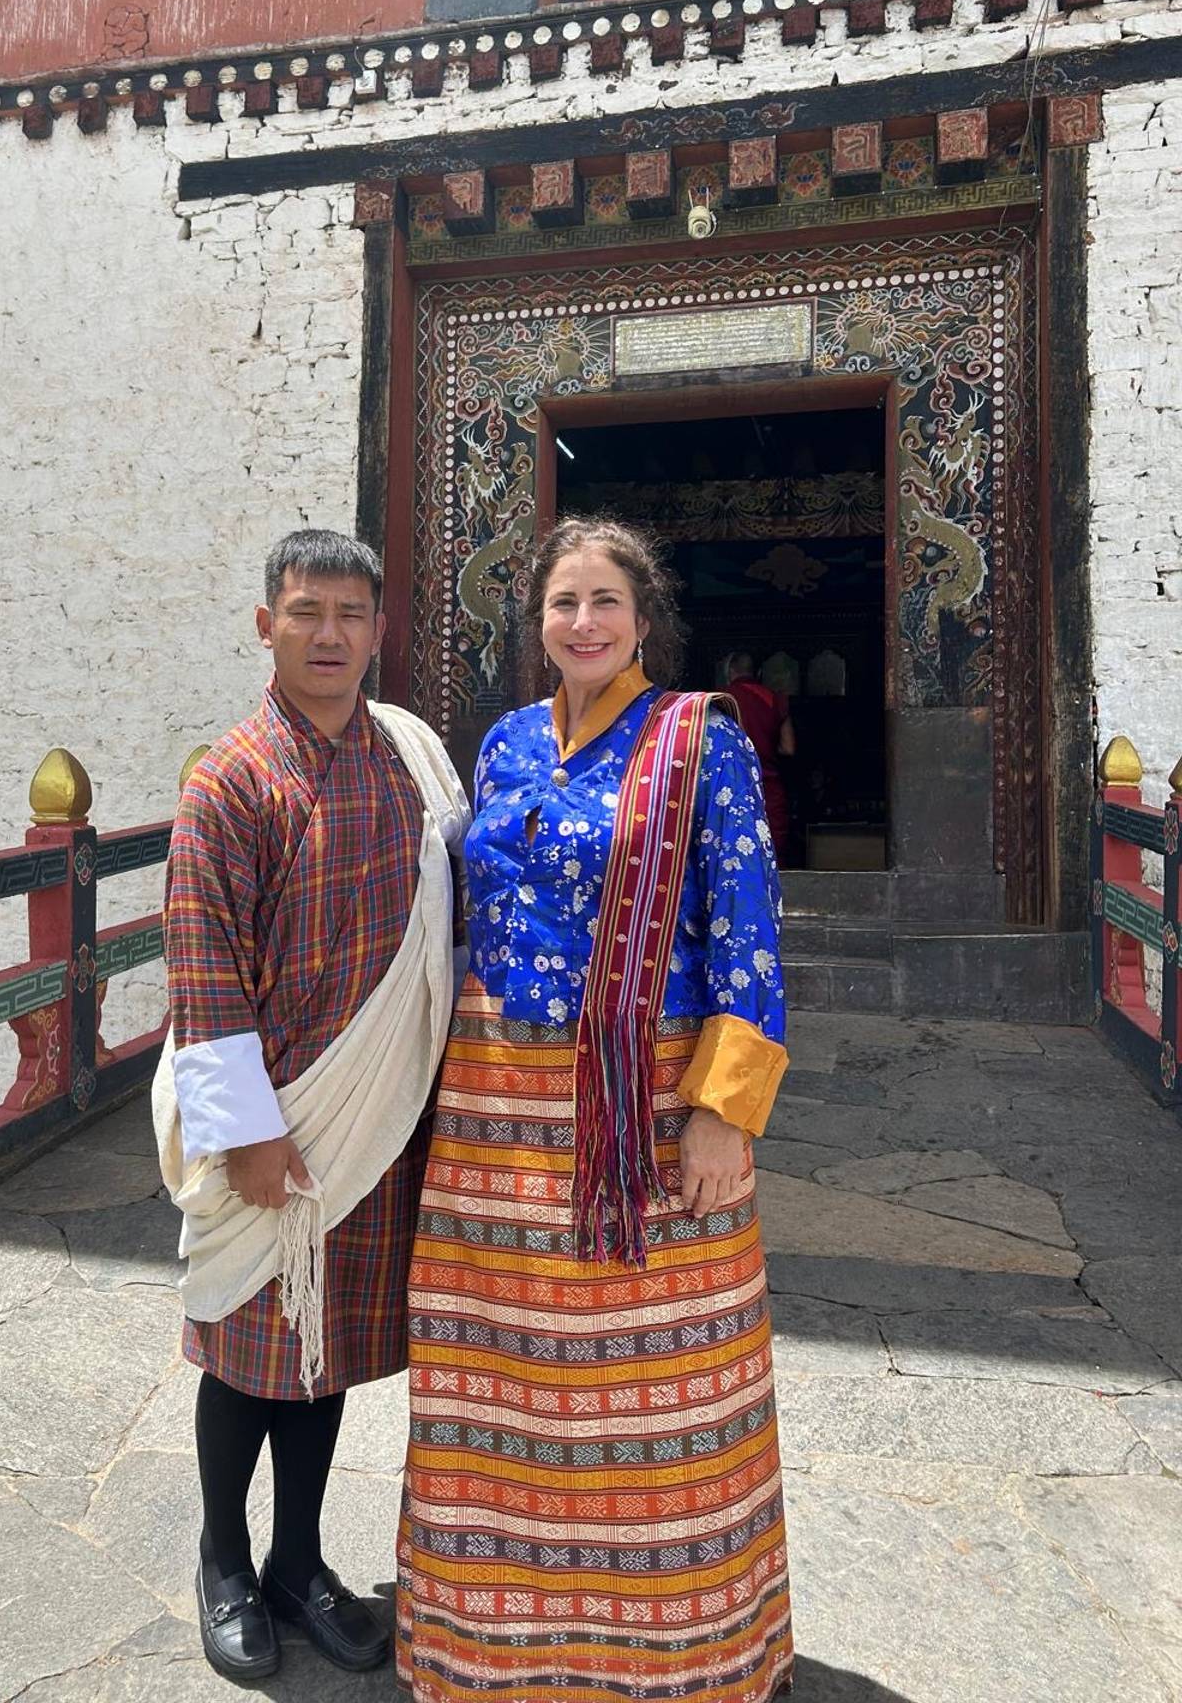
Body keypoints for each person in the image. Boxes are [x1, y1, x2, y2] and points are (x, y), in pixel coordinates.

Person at [397, 517, 794, 1703]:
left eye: (604, 601)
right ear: (538, 622)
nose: (583, 622)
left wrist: (724, 1111)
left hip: (646, 1098)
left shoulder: (700, 741)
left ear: (643, 618)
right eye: (562, 602)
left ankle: (679, 1655)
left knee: (660, 1379)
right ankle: (490, 1650)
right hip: (494, 1108)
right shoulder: (506, 743)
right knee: (496, 1376)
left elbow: (748, 925)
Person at [156, 528, 469, 1683]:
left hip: (373, 1117)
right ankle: (223, 1559)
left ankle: (297, 1562)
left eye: (349, 614)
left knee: (318, 1353)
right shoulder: (231, 780)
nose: (328, 634)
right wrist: (246, 1134)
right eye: (305, 612)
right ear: (265, 625)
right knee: (245, 1349)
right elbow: (202, 970)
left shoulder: (411, 762)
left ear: (380, 630)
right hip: (276, 1124)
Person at [724, 650, 796, 865]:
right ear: (758, 673)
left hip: (731, 785)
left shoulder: (722, 699)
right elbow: (788, 748)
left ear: (730, 672)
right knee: (773, 852)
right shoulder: (774, 699)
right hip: (767, 784)